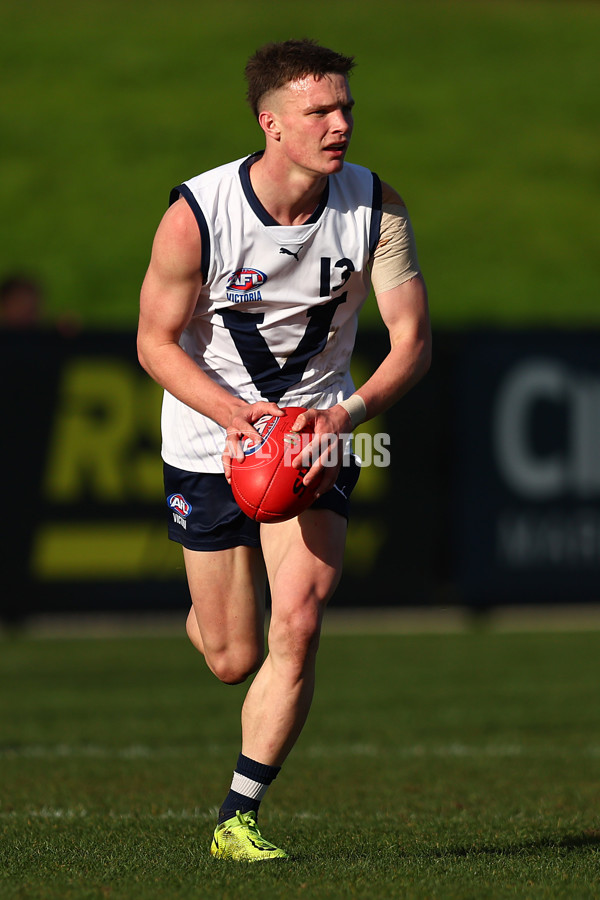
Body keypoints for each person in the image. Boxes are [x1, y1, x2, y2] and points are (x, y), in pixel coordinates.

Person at [137, 38, 431, 861]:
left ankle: (239, 817)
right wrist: (237, 415)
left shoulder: (377, 207)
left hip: (315, 437)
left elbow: (411, 342)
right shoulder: (197, 213)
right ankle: (210, 613)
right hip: (210, 435)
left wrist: (346, 416)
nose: (340, 125)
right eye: (319, 112)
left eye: (345, 109)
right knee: (232, 657)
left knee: (298, 619)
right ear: (272, 124)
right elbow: (156, 343)